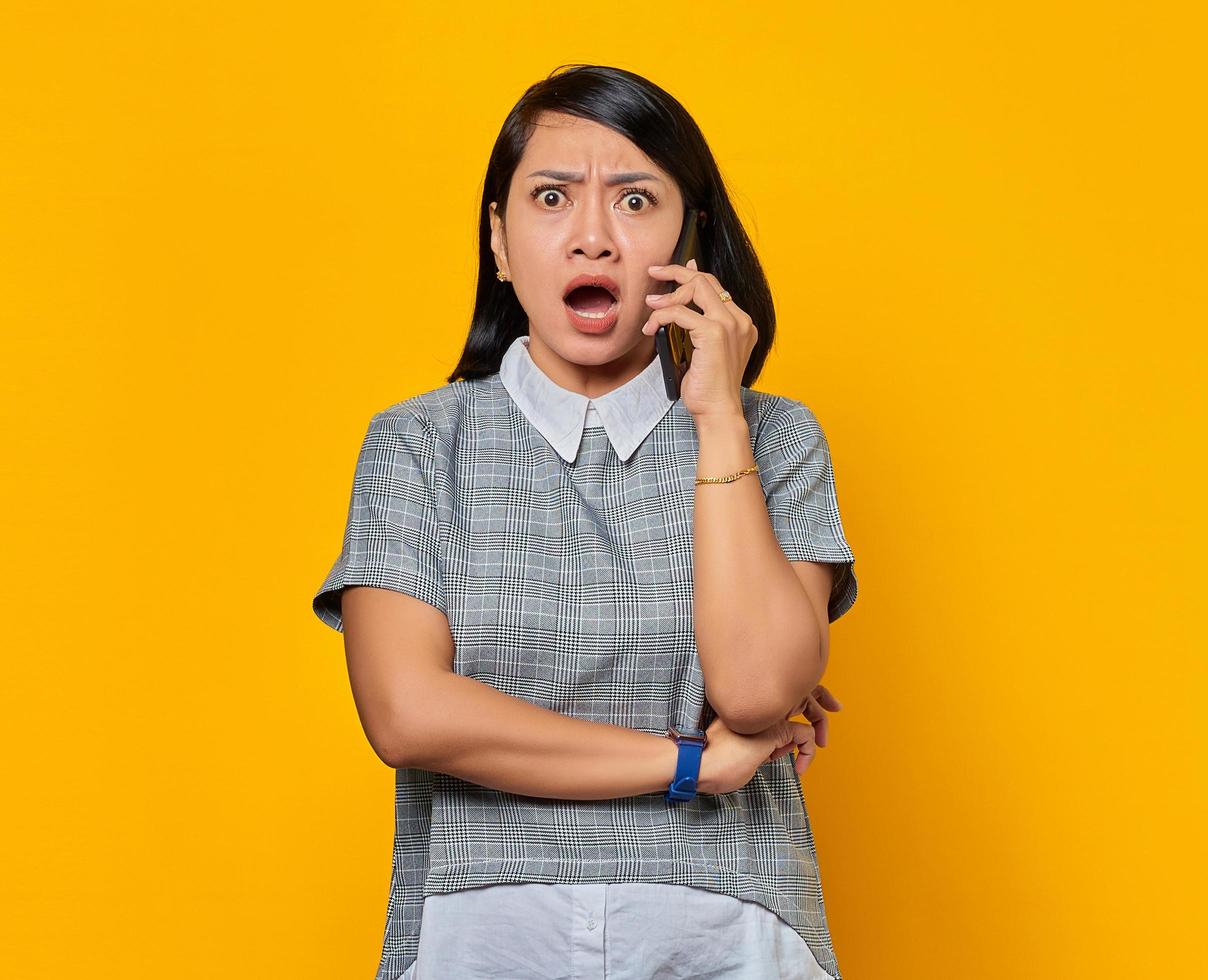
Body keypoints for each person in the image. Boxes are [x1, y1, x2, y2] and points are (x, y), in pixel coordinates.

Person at [311, 64, 859, 980]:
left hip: (730, 926)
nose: (593, 238)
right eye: (553, 197)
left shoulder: (774, 435)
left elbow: (759, 689)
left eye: (637, 199)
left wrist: (719, 411)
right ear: (499, 239)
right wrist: (692, 765)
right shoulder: (417, 444)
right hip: (481, 932)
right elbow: (407, 714)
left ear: (691, 240)